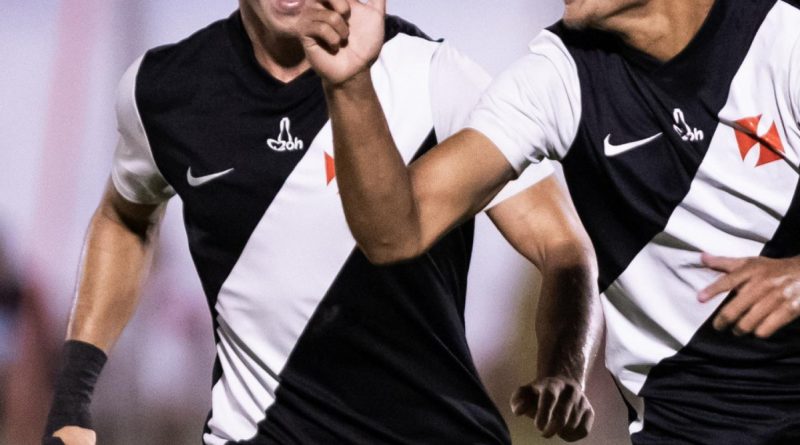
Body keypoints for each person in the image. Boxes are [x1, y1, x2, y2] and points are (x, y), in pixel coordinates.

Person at [43, 1, 601, 444]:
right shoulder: (161, 91)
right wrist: (73, 393)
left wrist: (564, 367)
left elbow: (563, 245)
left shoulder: (434, 75)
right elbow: (124, 218)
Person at [301, 0, 800, 443]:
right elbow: (396, 233)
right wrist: (350, 86)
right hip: (685, 428)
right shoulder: (556, 77)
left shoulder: (783, 35)